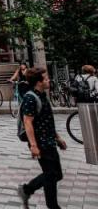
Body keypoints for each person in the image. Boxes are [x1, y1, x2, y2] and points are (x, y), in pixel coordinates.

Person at [17, 67, 67, 209]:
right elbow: (27, 122)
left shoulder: (42, 96)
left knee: (55, 175)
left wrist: (57, 138)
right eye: (46, 78)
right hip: (41, 143)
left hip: (49, 140)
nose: (49, 80)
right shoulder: (30, 98)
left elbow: (47, 120)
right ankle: (51, 205)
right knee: (51, 174)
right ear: (39, 82)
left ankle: (27, 190)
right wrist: (33, 145)